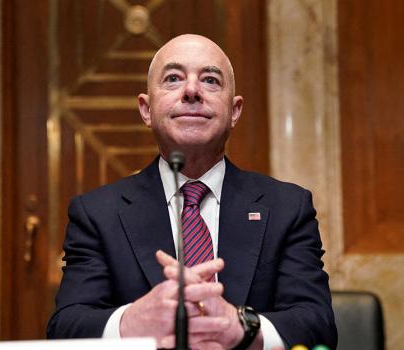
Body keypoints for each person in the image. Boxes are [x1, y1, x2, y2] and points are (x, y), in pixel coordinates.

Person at [47, 34, 337, 350]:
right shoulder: (96, 214)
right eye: (173, 79)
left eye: (210, 80)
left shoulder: (287, 208)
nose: (191, 91)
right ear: (146, 109)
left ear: (235, 111)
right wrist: (131, 321)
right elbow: (66, 327)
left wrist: (242, 326)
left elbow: (317, 325)